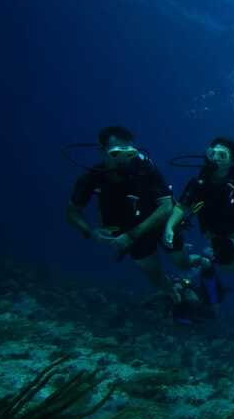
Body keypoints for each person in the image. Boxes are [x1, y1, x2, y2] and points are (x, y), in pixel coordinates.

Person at [66, 126, 199, 304]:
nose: (123, 160)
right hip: (128, 232)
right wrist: (90, 232)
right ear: (102, 151)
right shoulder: (91, 178)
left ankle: (201, 260)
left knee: (182, 263)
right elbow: (72, 211)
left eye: (129, 153)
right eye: (116, 153)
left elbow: (166, 206)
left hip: (157, 224)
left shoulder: (145, 168)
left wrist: (132, 235)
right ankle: (172, 290)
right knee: (154, 275)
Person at [164, 137, 234, 300]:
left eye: (222, 155)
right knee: (227, 267)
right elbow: (181, 206)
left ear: (232, 162)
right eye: (212, 153)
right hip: (217, 235)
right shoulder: (197, 184)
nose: (215, 157)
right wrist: (169, 226)